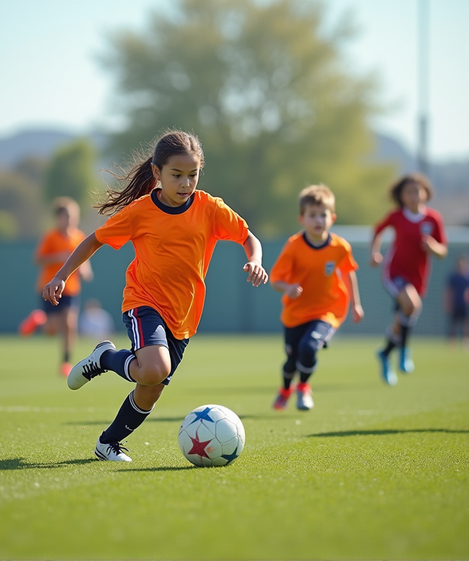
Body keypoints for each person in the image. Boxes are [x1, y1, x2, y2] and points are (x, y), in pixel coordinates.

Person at [43, 130, 268, 462]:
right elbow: (94, 240)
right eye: (176, 175)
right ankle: (104, 358)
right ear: (157, 172)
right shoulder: (141, 212)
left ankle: (107, 443)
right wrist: (61, 275)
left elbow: (248, 237)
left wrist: (255, 260)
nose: (185, 183)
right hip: (143, 302)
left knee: (151, 388)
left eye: (192, 175)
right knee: (154, 369)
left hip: (184, 316)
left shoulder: (209, 208)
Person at [269, 184, 363, 411]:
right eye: (312, 215)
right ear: (302, 218)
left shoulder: (340, 247)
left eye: (323, 215)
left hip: (328, 311)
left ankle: (303, 388)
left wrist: (356, 304)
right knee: (292, 361)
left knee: (309, 347)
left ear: (332, 218)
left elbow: (349, 273)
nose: (318, 220)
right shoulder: (294, 246)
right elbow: (275, 280)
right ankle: (285, 390)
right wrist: (288, 288)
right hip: (295, 314)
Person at [369, 173, 447, 385]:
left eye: (417, 191)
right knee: (412, 305)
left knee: (404, 316)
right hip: (394, 273)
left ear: (425, 193)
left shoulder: (433, 219)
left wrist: (433, 247)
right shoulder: (396, 216)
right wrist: (374, 253)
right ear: (401, 196)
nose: (414, 196)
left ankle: (385, 353)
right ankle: (404, 351)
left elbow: (442, 251)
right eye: (409, 192)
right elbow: (377, 230)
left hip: (418, 278)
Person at [19, 197, 93, 376]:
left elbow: (84, 260)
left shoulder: (79, 237)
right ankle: (39, 320)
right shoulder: (50, 237)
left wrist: (85, 270)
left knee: (69, 325)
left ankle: (66, 362)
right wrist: (58, 257)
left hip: (71, 288)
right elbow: (37, 259)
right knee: (51, 330)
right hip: (50, 287)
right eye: (67, 216)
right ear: (58, 218)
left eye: (73, 216)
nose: (70, 220)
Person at [445, 253, 469, 348]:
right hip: (456, 303)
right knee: (454, 323)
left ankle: (467, 341)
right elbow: (449, 291)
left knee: (467, 323)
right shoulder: (453, 277)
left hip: (466, 304)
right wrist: (448, 303)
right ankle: (452, 342)